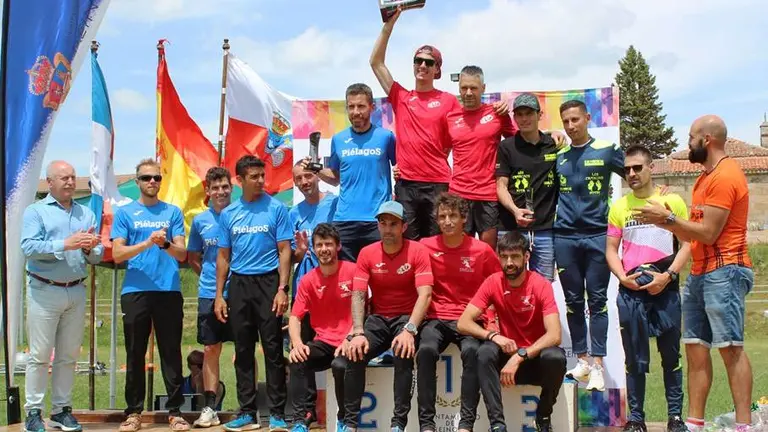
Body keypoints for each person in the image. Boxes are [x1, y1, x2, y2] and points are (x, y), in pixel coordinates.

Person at [633, 115, 754, 432]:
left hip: (726, 269)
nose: (687, 144)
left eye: (690, 138)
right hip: (700, 272)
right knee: (696, 347)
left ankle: (744, 425)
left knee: (730, 348)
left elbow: (709, 232)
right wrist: (666, 226)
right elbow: (692, 233)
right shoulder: (703, 178)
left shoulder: (726, 175)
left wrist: (667, 219)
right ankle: (694, 424)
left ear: (707, 140)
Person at [371, 9, 507, 240]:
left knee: (440, 245)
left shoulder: (450, 101)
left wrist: (550, 132)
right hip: (407, 184)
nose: (422, 65)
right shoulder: (401, 96)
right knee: (410, 245)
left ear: (437, 69)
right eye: (418, 61)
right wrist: (388, 26)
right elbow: (376, 62)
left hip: (440, 184)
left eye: (428, 62)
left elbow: (467, 132)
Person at [604, 145, 690, 432]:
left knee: (671, 357)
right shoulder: (619, 206)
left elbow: (688, 243)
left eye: (638, 167)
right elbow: (611, 250)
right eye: (627, 169)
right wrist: (622, 277)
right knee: (635, 360)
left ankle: (675, 418)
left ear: (651, 168)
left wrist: (667, 276)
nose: (631, 173)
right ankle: (636, 419)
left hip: (664, 290)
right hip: (632, 292)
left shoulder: (672, 201)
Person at [20, 161, 103, 432]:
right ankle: (33, 411)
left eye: (72, 177)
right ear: (49, 182)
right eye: (63, 177)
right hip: (44, 289)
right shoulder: (35, 212)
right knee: (41, 355)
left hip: (76, 289)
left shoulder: (86, 213)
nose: (69, 182)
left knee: (68, 355)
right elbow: (28, 247)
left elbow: (96, 254)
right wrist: (64, 244)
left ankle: (61, 410)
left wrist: (92, 248)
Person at [458, 231, 566, 432]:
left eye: (515, 256)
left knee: (555, 357)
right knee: (484, 351)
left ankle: (543, 417)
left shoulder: (540, 285)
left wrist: (519, 357)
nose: (509, 262)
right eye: (504, 257)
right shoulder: (493, 281)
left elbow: (554, 335)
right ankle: (498, 425)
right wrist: (493, 336)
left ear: (526, 257)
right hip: (504, 366)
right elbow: (463, 322)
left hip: (531, 362)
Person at [111, 159, 189, 432]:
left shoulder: (172, 212)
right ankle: (133, 413)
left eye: (156, 177)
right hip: (135, 291)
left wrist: (165, 243)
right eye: (146, 178)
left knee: (171, 352)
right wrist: (147, 242)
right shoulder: (125, 213)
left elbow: (182, 254)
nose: (152, 182)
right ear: (137, 182)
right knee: (135, 353)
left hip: (168, 290)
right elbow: (117, 254)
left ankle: (176, 412)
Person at [342, 201, 433, 432]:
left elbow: (426, 294)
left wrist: (410, 329)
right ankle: (350, 424)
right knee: (355, 353)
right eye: (383, 223)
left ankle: (398, 424)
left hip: (407, 318)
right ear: (378, 226)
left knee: (403, 351)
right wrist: (358, 331)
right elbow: (358, 295)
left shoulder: (418, 250)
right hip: (379, 319)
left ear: (403, 227)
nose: (388, 229)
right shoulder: (367, 253)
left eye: (393, 224)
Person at [216, 156, 292, 432]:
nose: (261, 180)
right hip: (239, 285)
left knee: (272, 349)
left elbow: (285, 251)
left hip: (269, 283)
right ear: (240, 180)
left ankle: (277, 415)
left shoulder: (277, 208)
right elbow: (223, 256)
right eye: (254, 176)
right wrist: (219, 295)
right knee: (243, 349)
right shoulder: (229, 214)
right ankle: (247, 413)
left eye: (263, 175)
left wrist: (282, 289)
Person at [554, 99, 624, 391]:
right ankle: (582, 361)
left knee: (597, 302)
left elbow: (636, 172)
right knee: (572, 302)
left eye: (575, 120)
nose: (571, 126)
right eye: (566, 122)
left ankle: (597, 365)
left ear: (587, 118)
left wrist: (656, 192)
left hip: (598, 236)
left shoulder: (607, 151)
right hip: (565, 237)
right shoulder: (557, 155)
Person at [416, 192, 501, 432]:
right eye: (442, 216)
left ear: (464, 218)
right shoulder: (425, 246)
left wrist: (492, 322)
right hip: (436, 318)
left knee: (473, 351)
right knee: (425, 350)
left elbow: (496, 286)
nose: (448, 221)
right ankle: (426, 424)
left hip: (470, 320)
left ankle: (466, 424)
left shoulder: (482, 250)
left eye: (453, 215)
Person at [307, 83, 395, 261]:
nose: (356, 112)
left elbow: (400, 168)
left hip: (377, 220)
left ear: (372, 107)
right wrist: (315, 169)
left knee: (379, 278)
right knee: (345, 280)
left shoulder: (386, 137)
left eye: (361, 106)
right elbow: (335, 178)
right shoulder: (338, 139)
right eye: (351, 106)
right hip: (344, 220)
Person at [287, 223, 353, 432]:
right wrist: (297, 344)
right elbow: (295, 317)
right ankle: (303, 417)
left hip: (350, 341)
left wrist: (351, 338)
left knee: (340, 366)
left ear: (338, 246)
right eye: (319, 245)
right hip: (324, 342)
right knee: (298, 358)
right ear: (313, 249)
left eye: (328, 244)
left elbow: (367, 311)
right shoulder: (307, 280)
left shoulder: (353, 271)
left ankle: (344, 418)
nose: (324, 249)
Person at [288, 161, 339, 426]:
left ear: (317, 176)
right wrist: (300, 250)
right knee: (301, 349)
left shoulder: (334, 203)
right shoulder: (292, 213)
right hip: (305, 286)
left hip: (333, 288)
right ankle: (305, 413)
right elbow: (293, 256)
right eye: (299, 178)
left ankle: (344, 413)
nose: (305, 181)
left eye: (308, 175)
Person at [444, 66, 517, 249]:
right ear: (459, 88)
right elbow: (438, 152)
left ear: (483, 88)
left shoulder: (497, 113)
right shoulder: (450, 118)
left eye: (474, 88)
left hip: (488, 195)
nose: (468, 93)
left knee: (487, 252)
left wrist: (551, 134)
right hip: (459, 194)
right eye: (464, 88)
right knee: (461, 252)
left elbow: (520, 140)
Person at [187, 167, 234, 428]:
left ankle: (248, 406)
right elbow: (194, 257)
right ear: (208, 191)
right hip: (209, 293)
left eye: (225, 186)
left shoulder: (240, 216)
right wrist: (209, 278)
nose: (220, 192)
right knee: (210, 349)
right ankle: (210, 407)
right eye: (215, 188)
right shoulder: (200, 221)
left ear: (231, 188)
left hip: (240, 292)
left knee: (246, 349)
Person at [496, 93, 560, 281]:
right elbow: (501, 186)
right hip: (510, 228)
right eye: (519, 114)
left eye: (529, 113)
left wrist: (558, 133)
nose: (524, 119)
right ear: (514, 118)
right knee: (509, 285)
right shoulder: (506, 147)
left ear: (539, 115)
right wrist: (515, 210)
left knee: (543, 287)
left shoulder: (554, 144)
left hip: (544, 230)